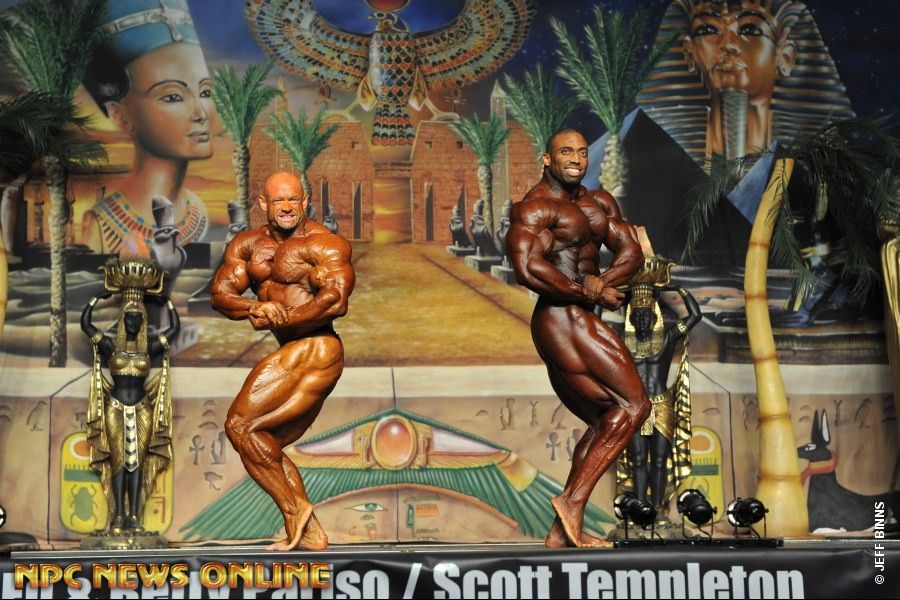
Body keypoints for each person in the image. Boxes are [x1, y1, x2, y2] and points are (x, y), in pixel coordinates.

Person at [507, 129, 649, 548]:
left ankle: (562, 530)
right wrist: (588, 292)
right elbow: (527, 268)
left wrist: (601, 282)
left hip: (581, 313)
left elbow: (632, 251)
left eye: (583, 152)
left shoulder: (599, 202)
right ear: (547, 159)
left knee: (607, 419)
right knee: (634, 405)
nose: (576, 159)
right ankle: (571, 501)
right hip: (560, 318)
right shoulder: (535, 207)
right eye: (566, 151)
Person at [211, 171, 355, 551]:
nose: (288, 207)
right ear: (264, 204)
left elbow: (335, 301)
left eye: (294, 199)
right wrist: (254, 307)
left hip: (318, 347)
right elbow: (221, 294)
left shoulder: (323, 243)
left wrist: (284, 317)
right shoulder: (248, 246)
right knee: (259, 439)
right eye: (279, 201)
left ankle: (295, 514)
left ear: (305, 201)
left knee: (240, 425)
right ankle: (310, 532)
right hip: (294, 351)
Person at [81, 0, 212, 256]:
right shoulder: (98, 226)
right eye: (173, 96)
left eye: (205, 92)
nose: (201, 113)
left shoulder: (200, 213)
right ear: (119, 114)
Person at [80, 258, 179, 534]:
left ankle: (134, 516)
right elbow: (86, 325)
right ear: (124, 321)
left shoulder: (149, 349)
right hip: (115, 406)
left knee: (137, 463)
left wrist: (167, 302)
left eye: (138, 318)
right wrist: (96, 299)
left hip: (142, 407)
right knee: (118, 461)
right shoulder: (110, 347)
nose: (133, 321)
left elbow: (174, 330)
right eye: (129, 318)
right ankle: (117, 517)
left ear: (142, 321)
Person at [617, 267, 702, 518]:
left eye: (647, 316)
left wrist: (678, 289)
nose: (643, 320)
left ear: (654, 318)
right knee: (638, 459)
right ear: (632, 319)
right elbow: (596, 325)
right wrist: (611, 295)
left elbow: (695, 316)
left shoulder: (667, 338)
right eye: (638, 316)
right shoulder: (622, 339)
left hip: (662, 404)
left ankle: (657, 510)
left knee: (659, 460)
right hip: (636, 406)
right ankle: (640, 510)